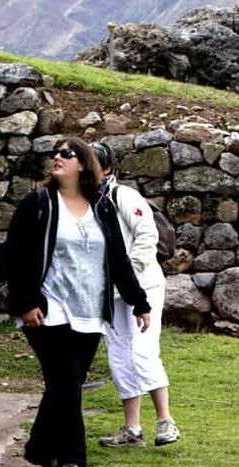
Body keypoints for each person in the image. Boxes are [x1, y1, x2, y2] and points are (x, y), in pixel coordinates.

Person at [6, 137, 151, 467]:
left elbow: (117, 259)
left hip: (89, 311)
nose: (57, 158)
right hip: (49, 308)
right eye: (54, 153)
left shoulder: (101, 207)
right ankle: (74, 456)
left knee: (65, 382)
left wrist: (138, 301)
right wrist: (26, 302)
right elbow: (17, 256)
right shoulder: (39, 202)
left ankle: (41, 446)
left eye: (66, 154)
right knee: (65, 381)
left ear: (84, 164)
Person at [91, 141, 181, 448]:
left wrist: (129, 270)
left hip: (143, 285)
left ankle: (166, 421)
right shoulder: (80, 201)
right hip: (108, 291)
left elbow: (146, 235)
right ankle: (132, 428)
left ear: (106, 168)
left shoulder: (123, 196)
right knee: (118, 356)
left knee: (143, 351)